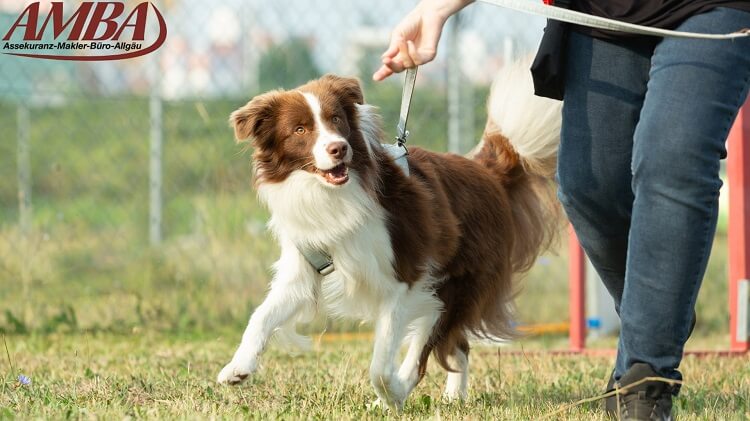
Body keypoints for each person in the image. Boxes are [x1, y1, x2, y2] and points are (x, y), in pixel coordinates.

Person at [373, 0, 750, 419]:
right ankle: (660, 311)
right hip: (606, 13)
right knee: (587, 186)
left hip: (716, 9)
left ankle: (646, 379)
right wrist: (437, 9)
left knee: (672, 161)